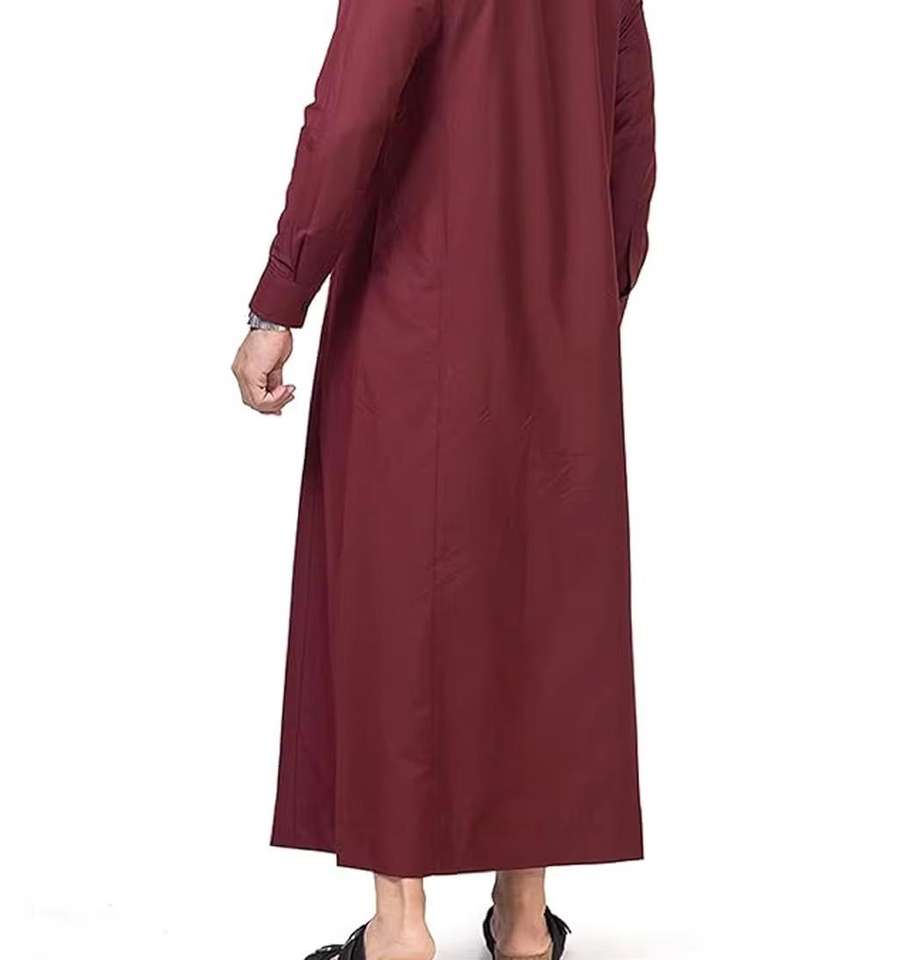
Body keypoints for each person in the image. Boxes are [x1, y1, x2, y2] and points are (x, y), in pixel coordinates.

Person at [231, 1, 656, 958]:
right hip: (558, 320)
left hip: (418, 312)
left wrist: (279, 298)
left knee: (396, 603)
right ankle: (522, 922)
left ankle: (401, 929)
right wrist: (592, 292)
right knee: (539, 602)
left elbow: (350, 112)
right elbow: (631, 124)